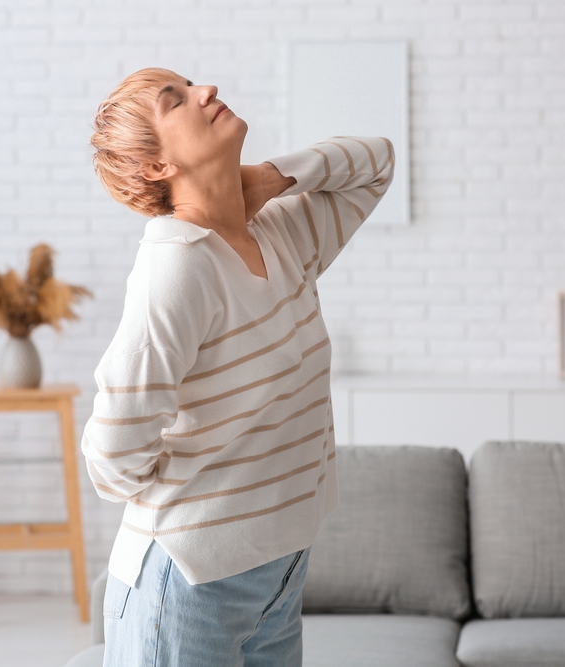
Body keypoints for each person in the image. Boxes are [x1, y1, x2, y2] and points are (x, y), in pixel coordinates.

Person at [81, 67, 395, 667]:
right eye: (178, 101)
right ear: (155, 167)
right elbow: (111, 461)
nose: (208, 93)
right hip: (187, 582)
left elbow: (376, 160)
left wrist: (268, 180)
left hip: (278, 567)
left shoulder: (282, 230)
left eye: (192, 84)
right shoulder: (176, 268)